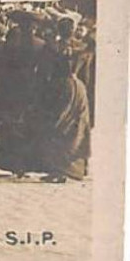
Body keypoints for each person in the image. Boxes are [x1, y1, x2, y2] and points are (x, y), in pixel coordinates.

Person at [33, 20, 92, 183]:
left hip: (59, 87)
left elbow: (44, 72)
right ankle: (78, 167)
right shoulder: (82, 48)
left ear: (58, 29)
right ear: (73, 30)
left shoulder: (52, 47)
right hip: (79, 88)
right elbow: (86, 74)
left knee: (57, 126)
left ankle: (57, 170)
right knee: (77, 126)